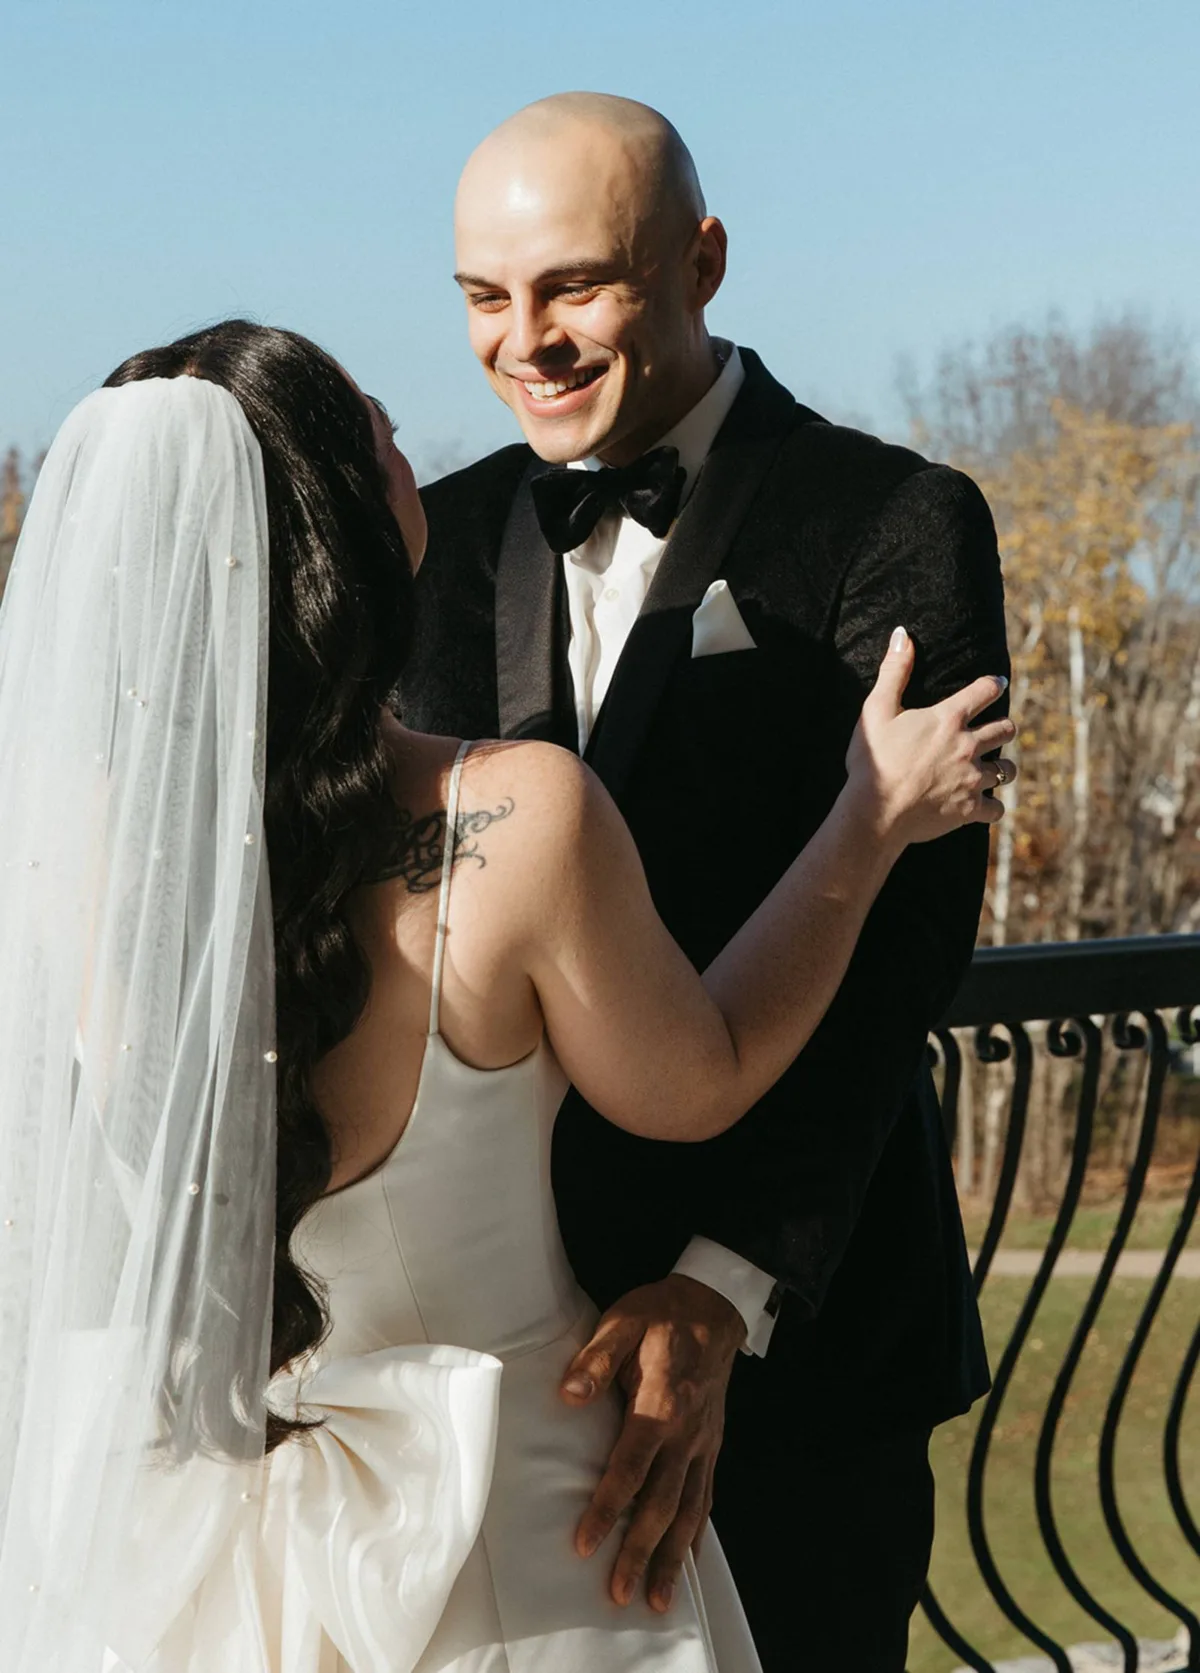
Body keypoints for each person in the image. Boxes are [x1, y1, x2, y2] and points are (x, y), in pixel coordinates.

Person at [0, 319, 1013, 1672]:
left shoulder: (60, 850)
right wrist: (868, 822)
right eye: (374, 420)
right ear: (343, 527)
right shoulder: (518, 817)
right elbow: (701, 1081)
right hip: (523, 1521)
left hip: (210, 1532)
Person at [401, 92, 1013, 1671]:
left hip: (802, 1367)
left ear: (703, 261)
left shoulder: (900, 519)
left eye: (575, 286)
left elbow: (905, 954)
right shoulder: (433, 537)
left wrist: (722, 1289)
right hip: (485, 1375)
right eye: (484, 296)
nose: (525, 341)